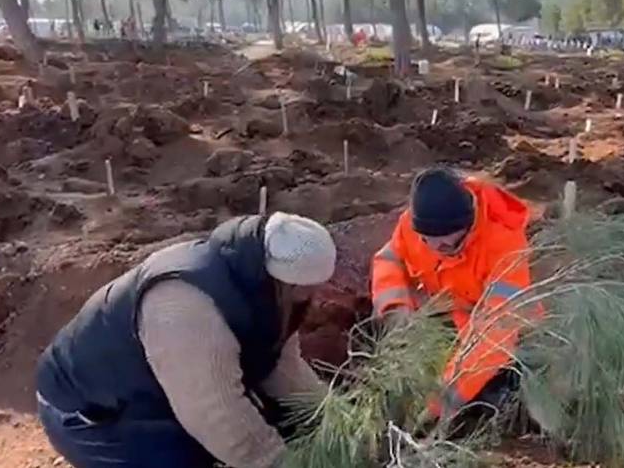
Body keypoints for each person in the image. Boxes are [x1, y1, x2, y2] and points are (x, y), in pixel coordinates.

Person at [35, 212, 337, 468]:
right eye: (308, 289)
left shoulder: (257, 285)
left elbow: (283, 369)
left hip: (157, 393)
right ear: (285, 281)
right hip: (93, 418)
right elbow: (218, 417)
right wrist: (284, 463)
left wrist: (337, 422)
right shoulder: (187, 310)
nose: (314, 297)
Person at [371, 168, 535, 426]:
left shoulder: (504, 243)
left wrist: (442, 402)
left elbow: (497, 331)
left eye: (449, 245)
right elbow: (389, 260)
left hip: (505, 335)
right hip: (451, 315)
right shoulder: (414, 225)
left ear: (468, 226)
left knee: (499, 398)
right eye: (427, 242)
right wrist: (395, 310)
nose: (437, 250)